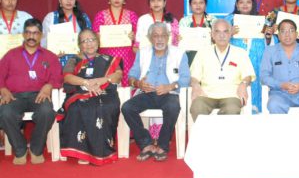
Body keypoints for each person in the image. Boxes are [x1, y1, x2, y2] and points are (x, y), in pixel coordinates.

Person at [122, 22, 190, 162]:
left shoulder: (179, 53)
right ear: (150, 38)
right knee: (127, 107)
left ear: (168, 37)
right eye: (155, 36)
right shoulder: (143, 52)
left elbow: (185, 79)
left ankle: (163, 145)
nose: (159, 39)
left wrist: (170, 86)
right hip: (147, 93)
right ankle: (146, 143)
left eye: (163, 35)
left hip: (169, 93)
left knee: (173, 106)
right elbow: (131, 76)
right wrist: (138, 83)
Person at [0, 18, 62, 164]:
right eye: (28, 32)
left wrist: (49, 86)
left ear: (41, 35)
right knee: (5, 112)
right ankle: (20, 150)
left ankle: (36, 149)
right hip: (14, 96)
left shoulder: (50, 56)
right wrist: (3, 89)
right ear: (23, 34)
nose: (31, 36)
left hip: (39, 96)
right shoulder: (11, 55)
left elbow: (58, 77)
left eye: (35, 33)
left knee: (47, 112)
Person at [58, 29, 123, 165]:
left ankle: (102, 150)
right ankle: (84, 152)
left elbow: (118, 75)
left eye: (92, 39)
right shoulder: (73, 60)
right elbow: (67, 77)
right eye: (84, 41)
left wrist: (101, 80)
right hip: (80, 93)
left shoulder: (108, 59)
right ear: (80, 45)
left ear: (98, 41)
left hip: (105, 93)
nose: (89, 43)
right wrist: (86, 83)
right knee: (78, 108)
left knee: (105, 107)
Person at [189, 19, 255, 121]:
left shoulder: (240, 53)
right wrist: (195, 85)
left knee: (232, 109)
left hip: (231, 95)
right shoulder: (202, 52)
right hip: (206, 94)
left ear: (230, 33)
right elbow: (194, 76)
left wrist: (244, 84)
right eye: (217, 31)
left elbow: (248, 75)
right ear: (212, 34)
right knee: (197, 107)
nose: (222, 35)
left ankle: (222, 132)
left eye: (225, 31)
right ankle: (206, 132)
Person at [135, 0, 180, 140]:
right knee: (149, 87)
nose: (156, 3)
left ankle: (162, 136)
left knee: (165, 91)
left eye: (159, 0)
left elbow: (175, 44)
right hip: (147, 61)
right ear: (149, 3)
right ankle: (150, 134)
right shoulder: (143, 20)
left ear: (165, 2)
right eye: (153, 0)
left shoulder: (172, 21)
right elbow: (137, 44)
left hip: (168, 62)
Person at [260, 19, 299, 114]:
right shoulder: (270, 52)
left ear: (296, 34)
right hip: (280, 93)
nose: (287, 34)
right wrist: (281, 84)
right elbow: (264, 77)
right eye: (283, 31)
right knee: (273, 104)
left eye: (291, 31)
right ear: (278, 35)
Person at [226, 0, 268, 113]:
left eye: (248, 2)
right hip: (235, 61)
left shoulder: (261, 20)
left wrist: (268, 36)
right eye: (241, 2)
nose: (245, 5)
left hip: (256, 60)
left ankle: (256, 112)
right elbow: (218, 39)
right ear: (237, 5)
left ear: (253, 4)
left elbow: (268, 41)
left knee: (255, 84)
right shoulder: (229, 20)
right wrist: (229, 33)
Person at [92, 0, 138, 87]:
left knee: (127, 90)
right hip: (107, 58)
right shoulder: (100, 16)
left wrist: (134, 37)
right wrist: (98, 37)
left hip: (127, 58)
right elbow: (94, 40)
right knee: (108, 88)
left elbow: (138, 39)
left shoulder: (132, 15)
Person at [42, 0, 92, 67]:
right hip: (57, 60)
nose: (69, 1)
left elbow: (90, 39)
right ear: (60, 0)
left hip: (80, 60)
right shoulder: (51, 17)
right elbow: (44, 42)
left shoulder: (83, 17)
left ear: (75, 1)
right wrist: (53, 53)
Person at [178, 0, 215, 65]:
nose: (198, 5)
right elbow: (180, 42)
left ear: (205, 5)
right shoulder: (184, 21)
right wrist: (178, 39)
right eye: (194, 3)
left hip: (208, 57)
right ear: (190, 5)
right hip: (189, 56)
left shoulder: (213, 20)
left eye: (201, 3)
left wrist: (214, 37)